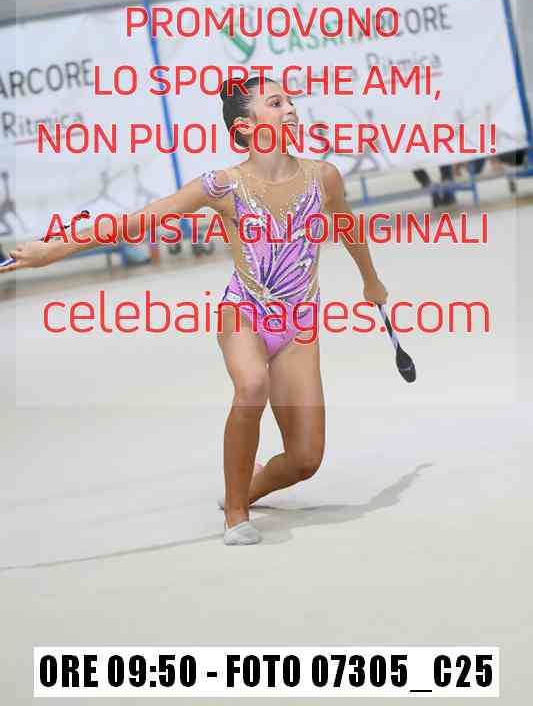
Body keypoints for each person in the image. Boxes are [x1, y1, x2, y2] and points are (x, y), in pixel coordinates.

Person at [1, 77, 388, 545]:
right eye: (275, 103)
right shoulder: (223, 185)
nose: (290, 109)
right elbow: (140, 220)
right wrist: (52, 251)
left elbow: (346, 224)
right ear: (246, 127)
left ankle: (245, 488)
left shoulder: (323, 177)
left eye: (290, 101)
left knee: (305, 459)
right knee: (252, 385)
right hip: (244, 312)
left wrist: (370, 279)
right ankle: (237, 516)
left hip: (299, 324)